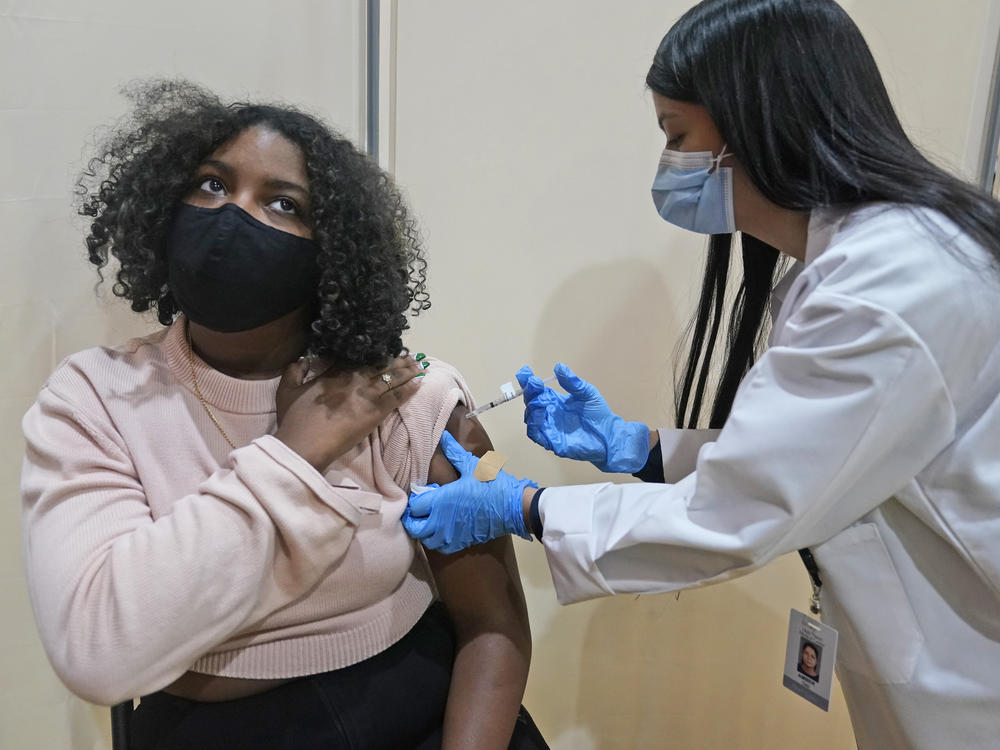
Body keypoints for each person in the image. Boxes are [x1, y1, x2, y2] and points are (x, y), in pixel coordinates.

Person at [402, 1, 1000, 748]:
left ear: (756, 121)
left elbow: (737, 512)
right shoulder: (876, 262)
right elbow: (817, 451)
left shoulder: (886, 287)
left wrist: (523, 506)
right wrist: (640, 447)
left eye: (678, 137)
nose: (670, 168)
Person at [21, 80, 546, 750]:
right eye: (211, 185)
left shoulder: (408, 399)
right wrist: (295, 455)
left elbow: (492, 626)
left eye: (282, 203)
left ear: (332, 253)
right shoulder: (96, 399)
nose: (234, 213)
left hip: (420, 715)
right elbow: (98, 653)